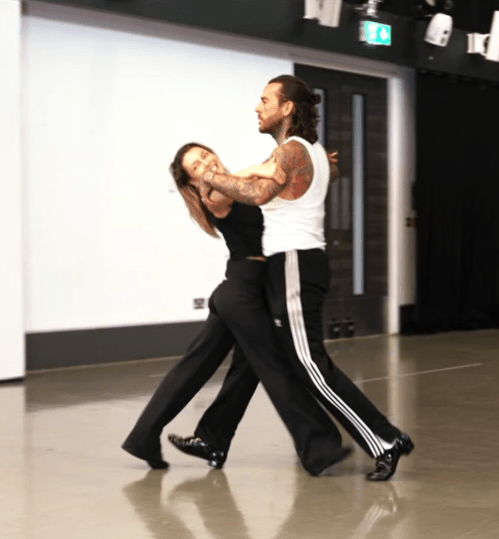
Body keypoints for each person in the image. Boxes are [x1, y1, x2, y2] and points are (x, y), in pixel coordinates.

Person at [195, 75, 413, 481]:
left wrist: (208, 176)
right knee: (291, 359)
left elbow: (257, 194)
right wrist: (228, 177)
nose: (257, 107)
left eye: (264, 100)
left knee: (309, 362)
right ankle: (223, 437)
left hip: (295, 262)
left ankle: (384, 439)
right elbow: (260, 178)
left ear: (287, 108)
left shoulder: (293, 151)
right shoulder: (299, 151)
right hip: (291, 264)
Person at [121, 143, 350, 477]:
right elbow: (234, 180)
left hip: (247, 291)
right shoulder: (212, 195)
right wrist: (258, 168)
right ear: (192, 182)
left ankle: (204, 439)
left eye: (205, 154)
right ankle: (319, 448)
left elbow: (278, 178)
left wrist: (312, 165)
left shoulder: (238, 185)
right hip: (241, 292)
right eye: (197, 165)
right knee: (273, 364)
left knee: (230, 369)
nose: (206, 161)